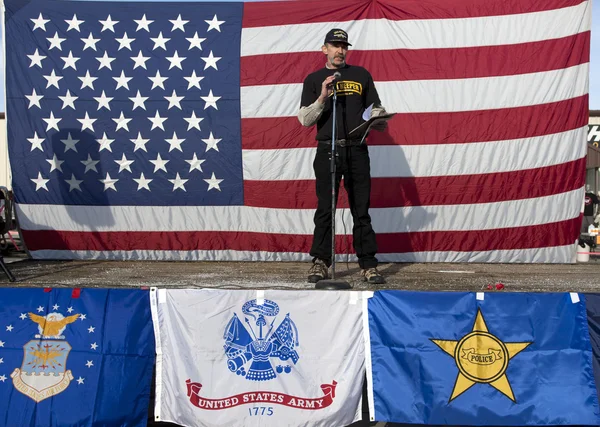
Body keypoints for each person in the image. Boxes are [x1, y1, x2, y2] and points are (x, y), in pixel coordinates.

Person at [298, 28, 388, 285]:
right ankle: (321, 261)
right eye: (335, 45)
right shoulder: (314, 79)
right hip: (328, 149)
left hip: (356, 148)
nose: (340, 50)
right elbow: (305, 120)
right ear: (324, 49)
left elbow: (375, 106)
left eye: (344, 46)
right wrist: (323, 96)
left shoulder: (361, 75)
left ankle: (368, 264)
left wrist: (378, 117)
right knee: (325, 208)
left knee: (361, 209)